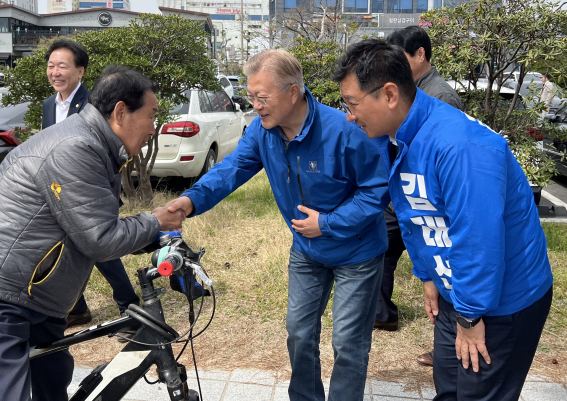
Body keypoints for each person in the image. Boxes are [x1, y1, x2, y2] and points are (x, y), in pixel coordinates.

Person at [0, 65, 185, 401]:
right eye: (152, 115)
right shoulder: (75, 147)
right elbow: (101, 239)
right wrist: (155, 222)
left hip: (34, 299)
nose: (153, 129)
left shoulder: (95, 144)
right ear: (121, 112)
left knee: (53, 388)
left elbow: (86, 221)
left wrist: (156, 238)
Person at [334, 39, 553, 401]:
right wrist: (428, 275)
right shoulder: (395, 136)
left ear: (389, 94)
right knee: (449, 390)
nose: (349, 115)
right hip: (457, 291)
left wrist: (468, 317)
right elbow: (414, 216)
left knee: (479, 394)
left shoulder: (461, 147)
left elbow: (478, 241)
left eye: (352, 103)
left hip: (502, 301)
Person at [166, 49, 389, 401]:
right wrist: (190, 201)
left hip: (357, 252)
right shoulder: (262, 132)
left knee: (348, 342)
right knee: (299, 334)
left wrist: (328, 223)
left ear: (292, 92)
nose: (256, 105)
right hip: (307, 251)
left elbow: (377, 191)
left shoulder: (345, 131)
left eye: (262, 97)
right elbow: (231, 170)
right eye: (250, 97)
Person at [43, 39, 140, 328]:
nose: (55, 72)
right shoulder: (50, 104)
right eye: (51, 66)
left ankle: (130, 306)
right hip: (59, 188)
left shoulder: (93, 103)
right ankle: (77, 308)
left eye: (62, 66)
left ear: (80, 71)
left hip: (89, 185)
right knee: (64, 248)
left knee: (100, 247)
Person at [381, 26, 464, 368]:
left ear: (420, 54)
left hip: (429, 201)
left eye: (399, 59)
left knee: (444, 270)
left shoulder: (440, 96)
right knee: (383, 249)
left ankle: (448, 341)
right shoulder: (408, 90)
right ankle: (383, 313)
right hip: (404, 196)